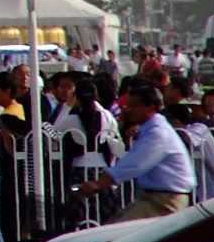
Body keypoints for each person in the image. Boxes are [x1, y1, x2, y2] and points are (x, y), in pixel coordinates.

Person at [80, 79, 193, 220]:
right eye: (128, 105)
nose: (128, 109)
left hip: (164, 203)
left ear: (151, 107)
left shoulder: (158, 133)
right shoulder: (150, 129)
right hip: (152, 199)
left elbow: (135, 163)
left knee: (116, 233)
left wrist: (98, 184)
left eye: (134, 105)